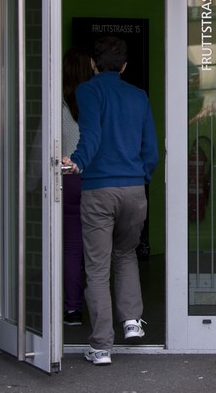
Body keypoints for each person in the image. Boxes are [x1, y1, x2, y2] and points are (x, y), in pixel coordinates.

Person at [62, 36, 159, 366]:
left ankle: (102, 346)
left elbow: (91, 133)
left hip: (99, 191)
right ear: (124, 65)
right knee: (127, 253)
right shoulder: (139, 96)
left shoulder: (87, 91)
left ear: (93, 64)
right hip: (134, 190)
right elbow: (151, 151)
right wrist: (140, 177)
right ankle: (132, 322)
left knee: (97, 268)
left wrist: (78, 160)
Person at [60, 47, 94, 327]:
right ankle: (101, 310)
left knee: (71, 248)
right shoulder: (97, 101)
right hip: (96, 179)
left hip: (68, 180)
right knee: (98, 247)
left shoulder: (58, 103)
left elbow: (42, 145)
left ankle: (72, 310)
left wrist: (34, 182)